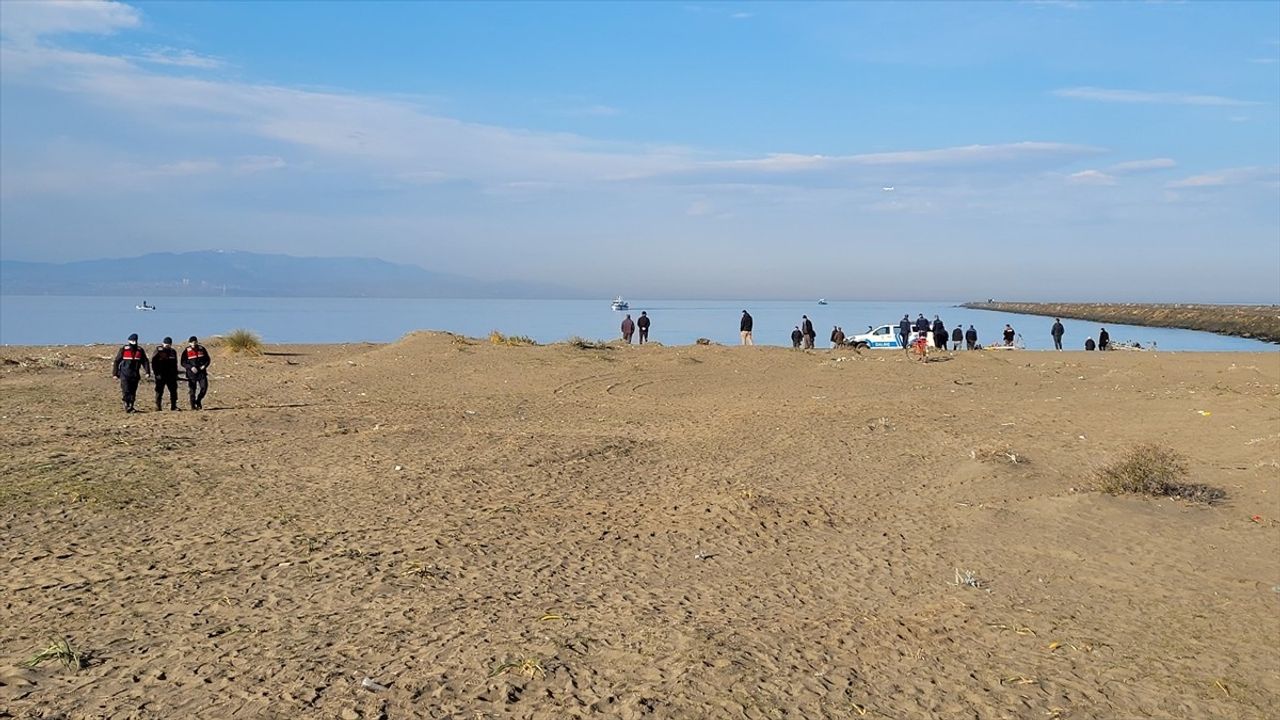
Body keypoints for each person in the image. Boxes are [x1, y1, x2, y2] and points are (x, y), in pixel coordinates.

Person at [111, 333, 151, 413]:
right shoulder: (124, 349)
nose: (134, 342)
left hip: (135, 374)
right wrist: (115, 373)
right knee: (126, 390)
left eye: (135, 340)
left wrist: (147, 372)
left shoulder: (140, 350)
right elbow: (117, 361)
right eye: (132, 340)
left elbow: (145, 361)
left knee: (133, 391)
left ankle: (131, 406)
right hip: (125, 374)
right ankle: (127, 405)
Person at [181, 336, 211, 409]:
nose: (193, 344)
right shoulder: (186, 351)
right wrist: (191, 367)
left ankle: (198, 400)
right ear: (189, 343)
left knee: (204, 387)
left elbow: (208, 359)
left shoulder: (201, 349)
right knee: (192, 390)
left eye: (195, 342)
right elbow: (183, 362)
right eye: (192, 342)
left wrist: (205, 365)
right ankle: (193, 405)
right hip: (191, 374)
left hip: (201, 373)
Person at [152, 336, 181, 411]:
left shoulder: (173, 352)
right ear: (162, 343)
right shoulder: (158, 350)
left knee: (173, 391)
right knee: (159, 391)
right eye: (165, 344)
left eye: (169, 344)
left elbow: (175, 364)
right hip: (160, 375)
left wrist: (176, 374)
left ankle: (174, 406)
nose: (167, 345)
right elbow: (154, 363)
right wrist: (156, 373)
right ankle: (158, 406)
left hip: (171, 375)